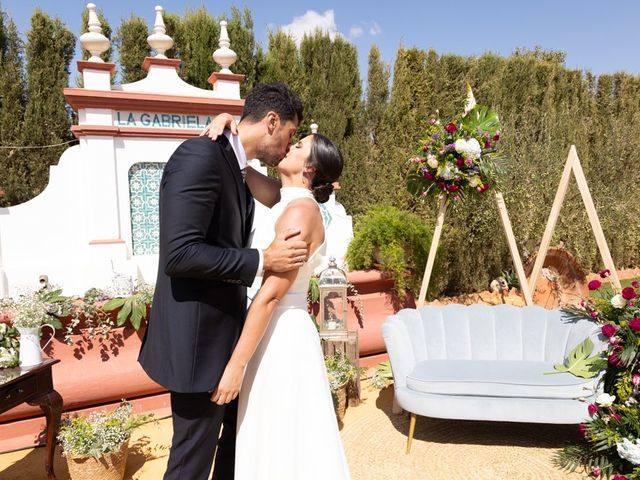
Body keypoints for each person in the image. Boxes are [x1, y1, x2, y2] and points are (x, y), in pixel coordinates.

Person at [138, 83, 310, 480]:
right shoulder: (200, 155)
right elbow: (180, 254)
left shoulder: (234, 164)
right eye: (289, 134)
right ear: (271, 121)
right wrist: (262, 259)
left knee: (234, 452)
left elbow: (288, 194)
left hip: (225, 344)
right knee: (191, 465)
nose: (288, 145)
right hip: (198, 347)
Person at [206, 115, 351, 479]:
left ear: (310, 169)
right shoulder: (287, 198)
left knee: (282, 434)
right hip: (274, 328)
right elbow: (242, 166)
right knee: (274, 430)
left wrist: (235, 367)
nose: (289, 146)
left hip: (280, 332)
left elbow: (270, 296)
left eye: (298, 146)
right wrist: (232, 125)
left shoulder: (300, 213)